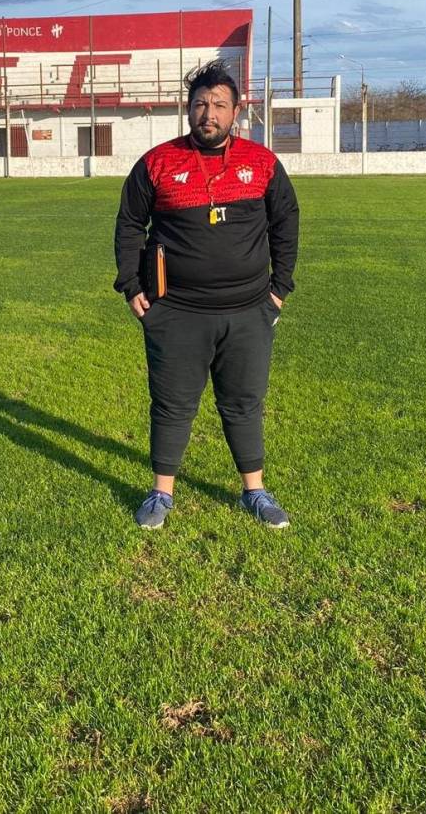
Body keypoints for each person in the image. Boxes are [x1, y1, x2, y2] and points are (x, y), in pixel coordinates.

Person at [114, 60, 300, 530]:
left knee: (244, 401)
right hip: (176, 312)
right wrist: (131, 284)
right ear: (188, 109)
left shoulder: (262, 164)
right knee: (172, 403)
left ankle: (254, 491)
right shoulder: (157, 162)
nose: (208, 114)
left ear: (236, 110)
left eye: (218, 104)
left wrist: (278, 292)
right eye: (199, 104)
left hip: (248, 311)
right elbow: (129, 224)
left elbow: (286, 224)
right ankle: (161, 494)